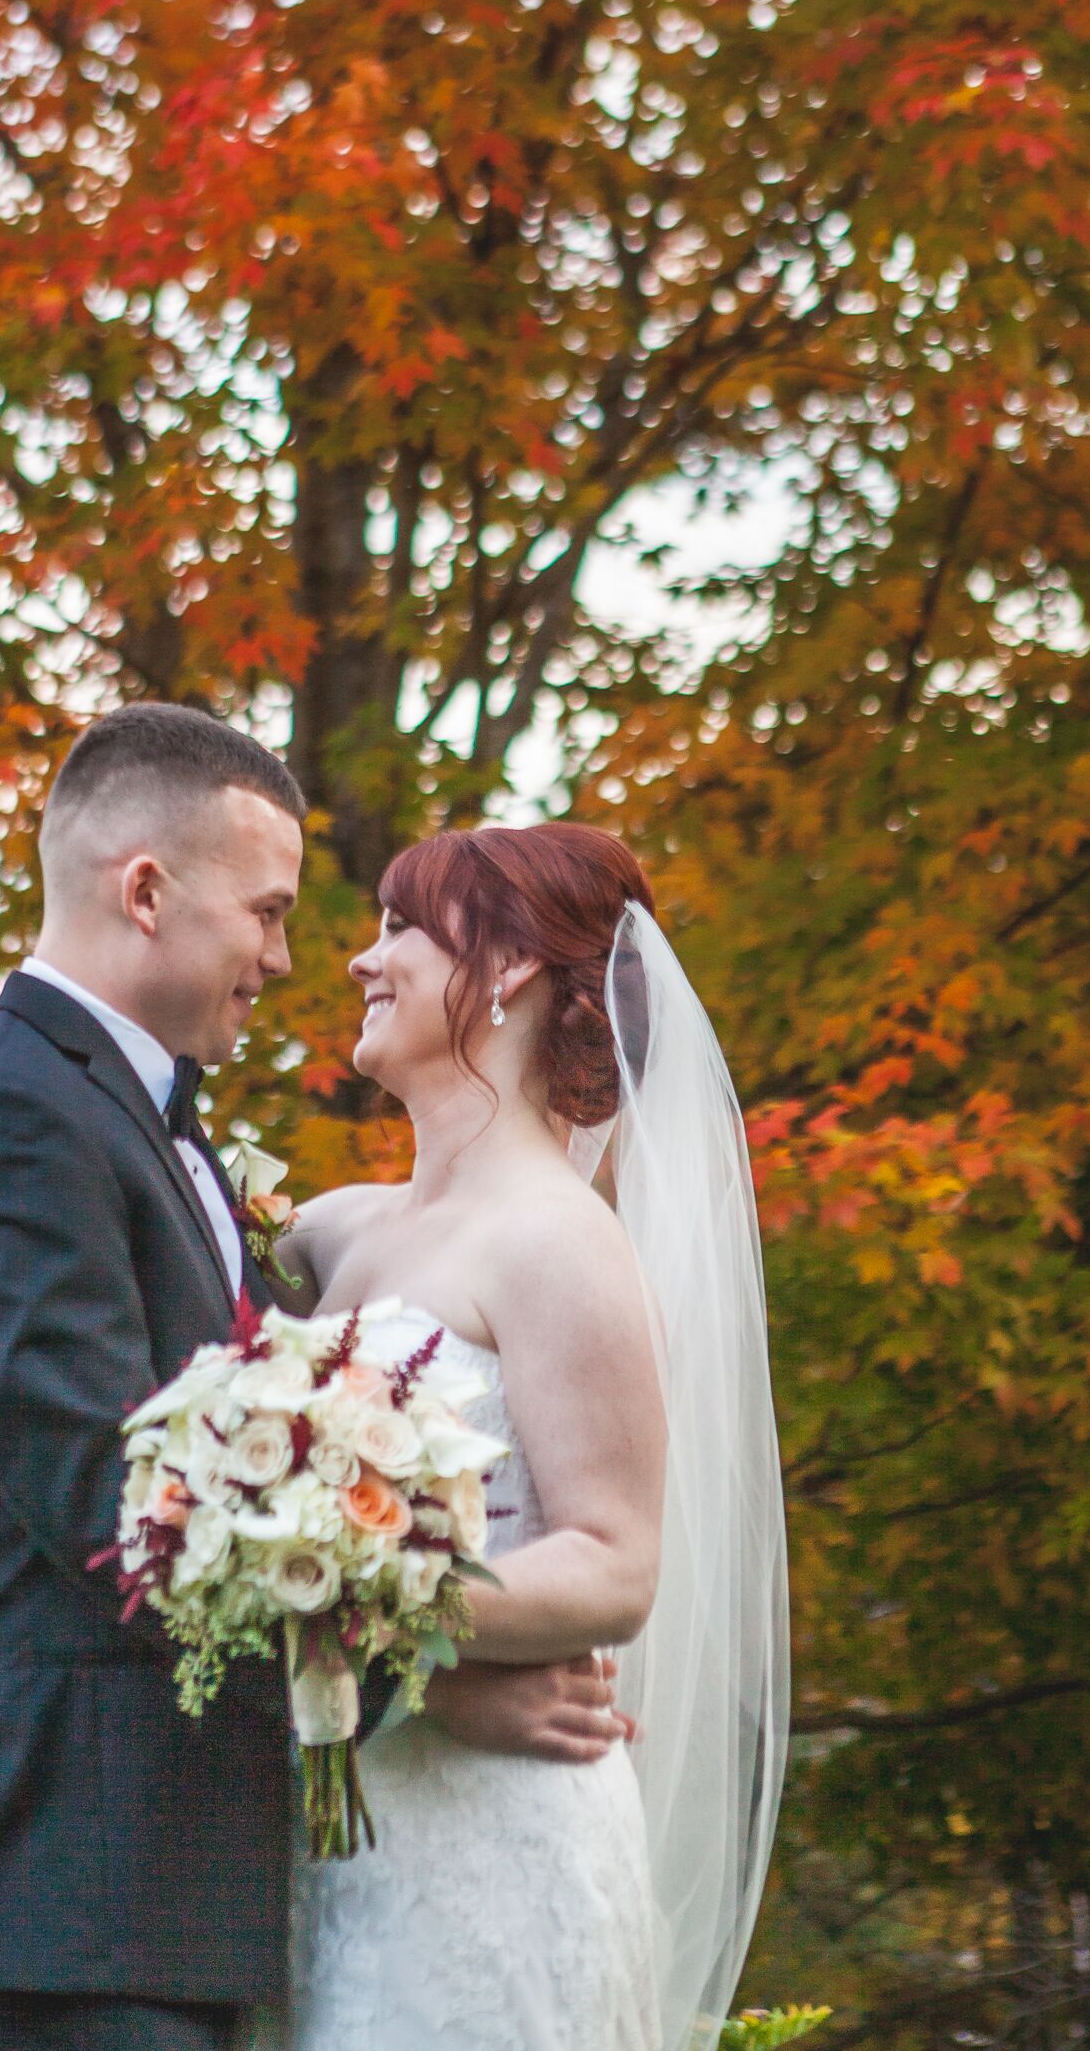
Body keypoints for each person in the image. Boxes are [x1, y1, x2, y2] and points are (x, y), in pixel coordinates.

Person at [0, 706, 631, 2051]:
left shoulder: (141, 1131)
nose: (289, 955)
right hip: (57, 1883)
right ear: (145, 891)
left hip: (154, 1890)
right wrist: (425, 1686)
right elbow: (116, 1508)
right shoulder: (6, 1120)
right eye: (265, 912)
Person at [261, 824, 790, 2051]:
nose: (358, 960)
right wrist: (401, 1673)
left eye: (399, 926)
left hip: (494, 1848)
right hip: (342, 1827)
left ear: (502, 968)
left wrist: (358, 1613)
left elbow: (612, 1561)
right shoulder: (328, 1235)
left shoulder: (558, 1241)